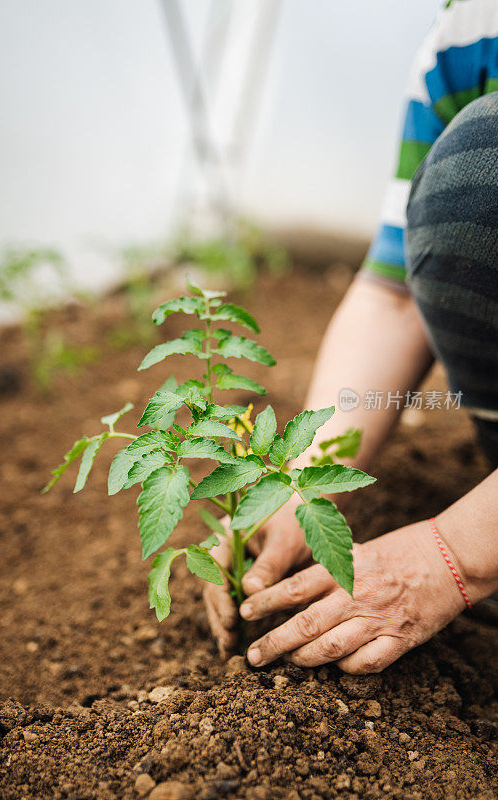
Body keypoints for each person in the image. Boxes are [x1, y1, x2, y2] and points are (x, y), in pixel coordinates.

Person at [204, 0, 498, 673]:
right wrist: (301, 482)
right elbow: (394, 296)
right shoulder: (470, 28)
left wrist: (454, 556)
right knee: (474, 176)